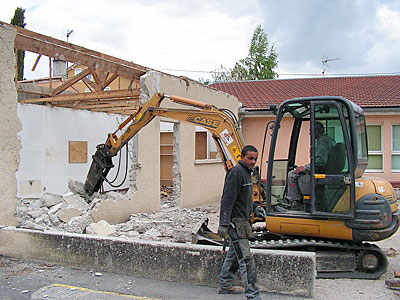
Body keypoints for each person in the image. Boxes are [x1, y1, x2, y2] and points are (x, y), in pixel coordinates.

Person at [217, 145, 265, 300]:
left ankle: (225, 284)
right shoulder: (236, 173)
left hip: (243, 223)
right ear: (242, 157)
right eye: (250, 158)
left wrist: (255, 208)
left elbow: (244, 199)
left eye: (255, 159)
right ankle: (253, 295)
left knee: (233, 254)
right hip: (235, 224)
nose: (252, 162)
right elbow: (227, 199)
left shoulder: (247, 174)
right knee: (246, 260)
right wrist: (224, 224)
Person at [286, 121, 336, 209]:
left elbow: (320, 162)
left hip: (320, 173)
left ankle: (297, 202)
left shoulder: (322, 142)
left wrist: (305, 168)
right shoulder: (329, 140)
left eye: (310, 130)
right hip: (326, 171)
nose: (309, 133)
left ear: (316, 130)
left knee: (292, 175)